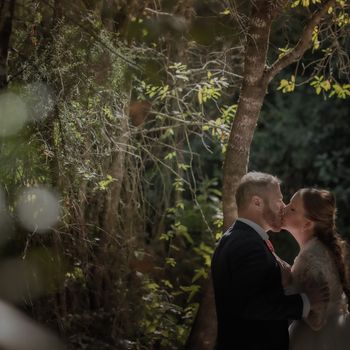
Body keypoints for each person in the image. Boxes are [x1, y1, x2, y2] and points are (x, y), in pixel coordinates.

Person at [211, 172, 328, 350]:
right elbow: (252, 305)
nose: (283, 206)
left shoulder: (239, 238)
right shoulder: (247, 244)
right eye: (279, 200)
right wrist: (306, 302)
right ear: (257, 202)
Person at [283, 188, 350, 349]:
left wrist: (285, 285)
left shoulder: (310, 258)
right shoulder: (322, 249)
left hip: (316, 341)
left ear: (307, 223)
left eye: (292, 208)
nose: (283, 208)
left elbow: (317, 318)